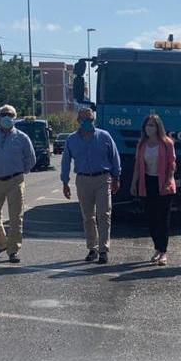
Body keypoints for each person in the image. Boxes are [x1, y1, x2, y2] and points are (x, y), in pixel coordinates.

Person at [60, 108, 121, 264]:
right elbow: (66, 161)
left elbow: (114, 157)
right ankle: (92, 248)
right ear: (78, 121)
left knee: (104, 214)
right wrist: (65, 182)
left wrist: (116, 177)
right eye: (84, 120)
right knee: (88, 217)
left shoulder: (104, 136)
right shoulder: (72, 140)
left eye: (90, 119)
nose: (88, 122)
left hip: (102, 178)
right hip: (83, 180)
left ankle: (103, 250)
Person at [0, 104, 36, 264]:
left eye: (10, 115)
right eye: (4, 114)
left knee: (16, 217)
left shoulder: (22, 137)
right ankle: (2, 244)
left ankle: (13, 250)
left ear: (15, 117)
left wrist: (21, 172)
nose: (6, 117)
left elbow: (31, 159)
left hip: (15, 181)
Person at [132, 114, 176, 265]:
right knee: (151, 219)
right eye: (147, 125)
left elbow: (172, 165)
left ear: (158, 127)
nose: (149, 128)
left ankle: (163, 251)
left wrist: (168, 180)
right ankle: (157, 248)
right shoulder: (142, 144)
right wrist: (134, 183)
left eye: (152, 125)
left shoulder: (167, 143)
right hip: (147, 183)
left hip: (163, 184)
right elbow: (138, 166)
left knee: (162, 218)